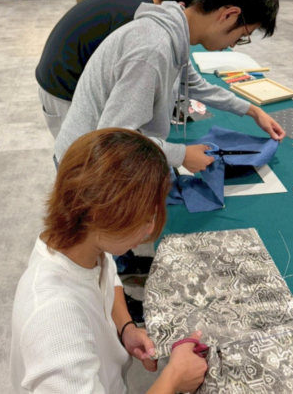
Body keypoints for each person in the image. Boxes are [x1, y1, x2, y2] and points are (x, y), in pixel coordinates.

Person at [10, 128, 208, 394]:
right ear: (105, 214)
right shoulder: (53, 318)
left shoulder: (83, 245)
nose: (151, 228)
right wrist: (172, 380)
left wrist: (125, 327)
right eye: (146, 218)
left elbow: (108, 276)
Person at [54, 0, 285, 174]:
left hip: (99, 158)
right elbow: (114, 138)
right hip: (86, 170)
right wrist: (180, 155)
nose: (233, 45)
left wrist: (252, 110)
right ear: (229, 15)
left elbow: (197, 86)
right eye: (242, 35)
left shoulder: (176, 32)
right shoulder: (153, 49)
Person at [35, 0, 204, 139]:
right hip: (63, 86)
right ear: (180, 7)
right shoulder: (140, 20)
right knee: (78, 153)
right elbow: (126, 95)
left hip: (61, 71)